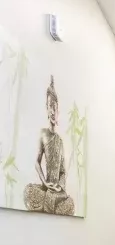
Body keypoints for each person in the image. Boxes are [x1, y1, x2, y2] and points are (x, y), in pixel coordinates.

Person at [23, 76, 74, 215]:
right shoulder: (43, 134)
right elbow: (37, 162)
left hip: (57, 190)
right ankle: (49, 201)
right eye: (49, 106)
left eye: (54, 107)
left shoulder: (60, 141)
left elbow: (63, 172)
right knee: (29, 191)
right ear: (46, 109)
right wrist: (45, 183)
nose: (52, 111)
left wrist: (59, 186)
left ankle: (50, 201)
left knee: (70, 204)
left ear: (58, 111)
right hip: (46, 187)